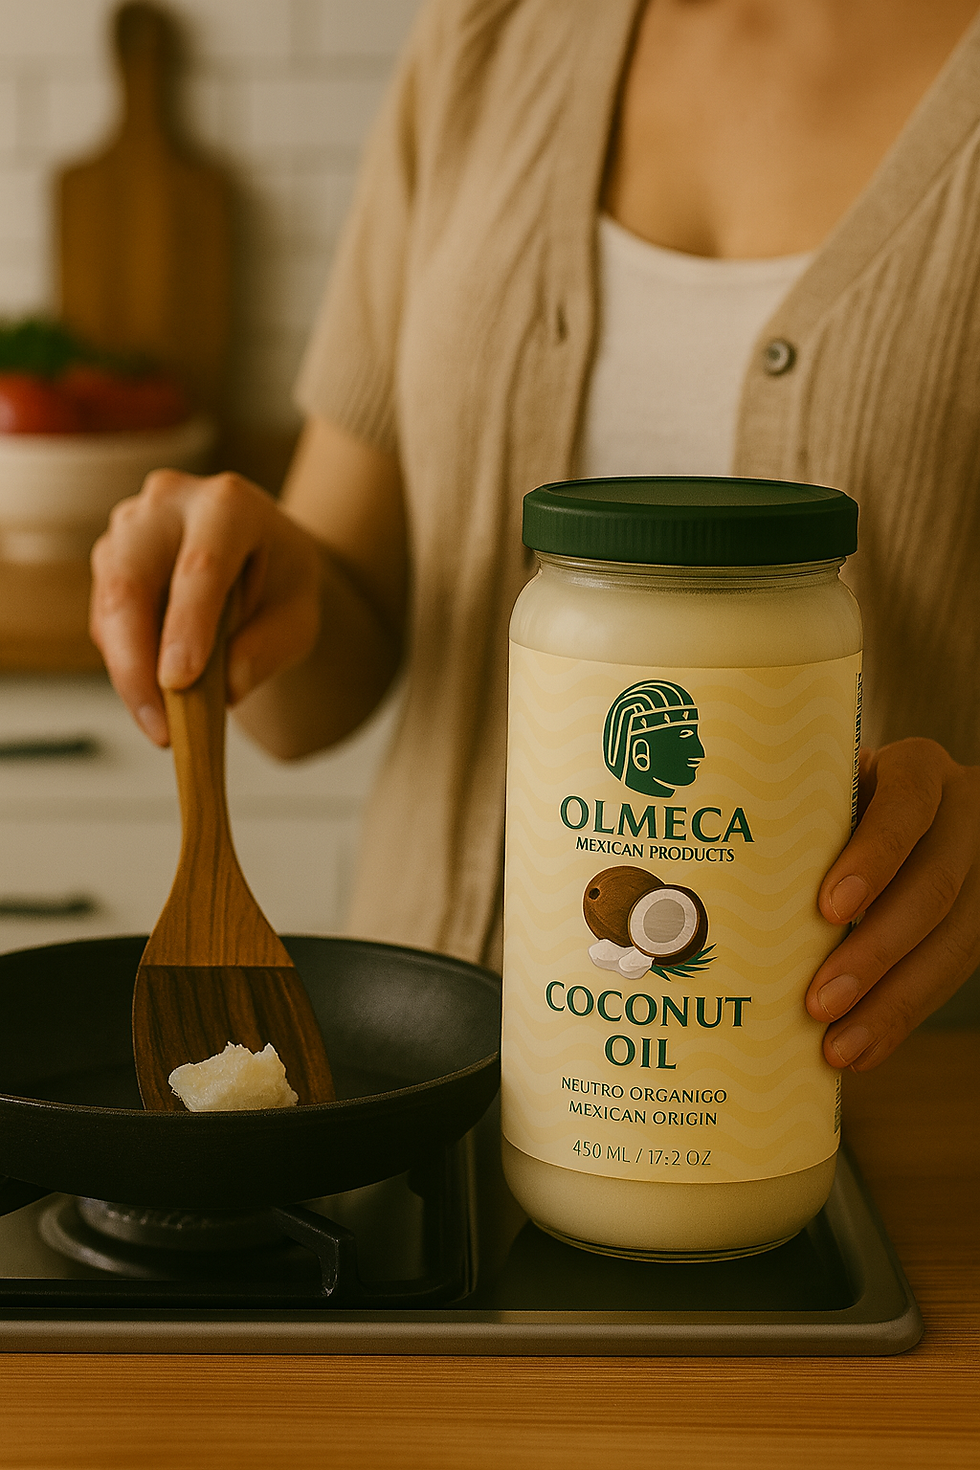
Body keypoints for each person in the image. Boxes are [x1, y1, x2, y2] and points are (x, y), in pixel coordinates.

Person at [90, 0, 980, 1078]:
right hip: (416, 1083)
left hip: (859, 1107)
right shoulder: (487, 35)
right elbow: (327, 666)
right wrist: (238, 582)